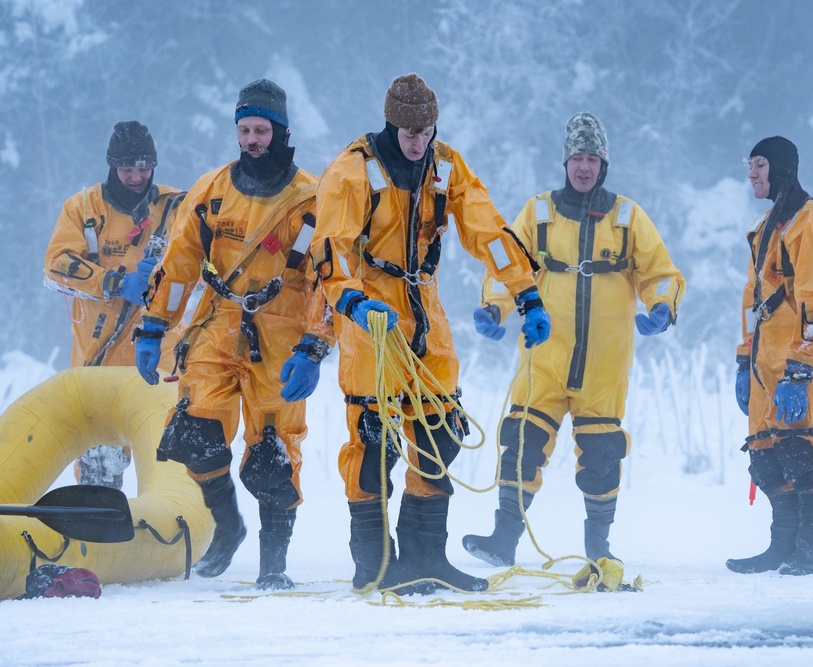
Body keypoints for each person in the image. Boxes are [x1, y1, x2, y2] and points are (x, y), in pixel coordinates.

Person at [312, 73, 550, 593]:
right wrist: (354, 300)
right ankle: (374, 567)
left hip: (427, 318)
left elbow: (487, 228)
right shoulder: (352, 172)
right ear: (390, 124)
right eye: (408, 131)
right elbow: (330, 248)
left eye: (426, 130)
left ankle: (426, 558)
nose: (418, 141)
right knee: (374, 445)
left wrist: (525, 292)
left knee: (440, 437)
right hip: (370, 320)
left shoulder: (445, 165)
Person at [462, 112, 686, 585]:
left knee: (603, 452)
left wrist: (662, 305)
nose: (583, 167)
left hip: (605, 363)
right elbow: (508, 264)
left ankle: (598, 549)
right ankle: (503, 539)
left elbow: (660, 272)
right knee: (520, 442)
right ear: (564, 162)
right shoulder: (538, 213)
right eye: (576, 158)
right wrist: (494, 308)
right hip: (544, 356)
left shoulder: (628, 217)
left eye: (591, 158)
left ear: (603, 164)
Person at [133, 79, 335, 590]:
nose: (252, 139)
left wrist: (315, 346)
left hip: (282, 337)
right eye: (244, 129)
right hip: (218, 325)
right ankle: (228, 527)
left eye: (261, 129)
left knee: (272, 448)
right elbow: (178, 265)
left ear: (281, 131)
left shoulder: (311, 199)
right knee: (195, 431)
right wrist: (153, 327)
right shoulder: (213, 190)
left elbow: (327, 279)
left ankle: (274, 564)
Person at [726, 136, 813, 576]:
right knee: (765, 454)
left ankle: (812, 552)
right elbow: (752, 297)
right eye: (750, 165)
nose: (752, 174)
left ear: (781, 167)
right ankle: (781, 547)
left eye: (759, 165)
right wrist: (744, 361)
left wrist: (799, 371)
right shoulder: (768, 226)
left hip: (805, 360)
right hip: (765, 360)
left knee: (803, 450)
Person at [44, 121, 186, 489]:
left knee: (169, 460)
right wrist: (114, 283)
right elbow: (56, 264)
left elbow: (203, 261)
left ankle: (173, 533)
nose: (137, 176)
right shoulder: (83, 209)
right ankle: (98, 531)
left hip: (161, 355)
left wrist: (162, 279)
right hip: (99, 357)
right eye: (127, 168)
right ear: (111, 165)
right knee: (99, 471)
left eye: (144, 167)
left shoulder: (176, 207)